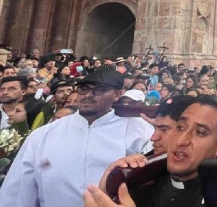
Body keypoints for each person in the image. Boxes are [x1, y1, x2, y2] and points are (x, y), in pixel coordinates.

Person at [0, 67, 154, 207]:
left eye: (99, 90)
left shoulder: (138, 129)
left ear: (117, 94)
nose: (88, 95)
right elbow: (18, 191)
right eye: (83, 89)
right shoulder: (44, 135)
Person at [91, 95, 217, 207]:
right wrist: (106, 191)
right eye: (180, 127)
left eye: (200, 132)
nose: (181, 141)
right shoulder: (145, 177)